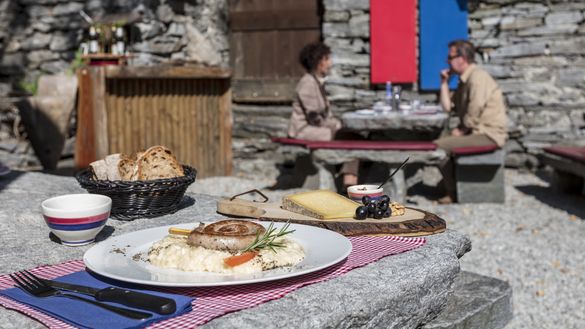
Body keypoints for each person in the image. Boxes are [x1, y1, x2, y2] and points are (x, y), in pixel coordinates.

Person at [435, 40, 507, 204]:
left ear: (462, 58)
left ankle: (452, 192)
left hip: (488, 134)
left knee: (438, 147)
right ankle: (450, 184)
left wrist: (461, 130)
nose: (447, 61)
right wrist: (444, 82)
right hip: (477, 132)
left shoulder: (477, 78)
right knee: (443, 137)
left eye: (450, 57)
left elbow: (475, 110)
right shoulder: (464, 80)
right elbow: (448, 107)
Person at [287, 42, 358, 187]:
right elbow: (314, 118)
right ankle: (349, 181)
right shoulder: (307, 83)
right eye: (327, 59)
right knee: (350, 138)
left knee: (353, 137)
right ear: (318, 62)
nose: (330, 63)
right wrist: (336, 126)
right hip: (303, 130)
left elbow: (324, 115)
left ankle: (349, 179)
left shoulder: (317, 82)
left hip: (317, 128)